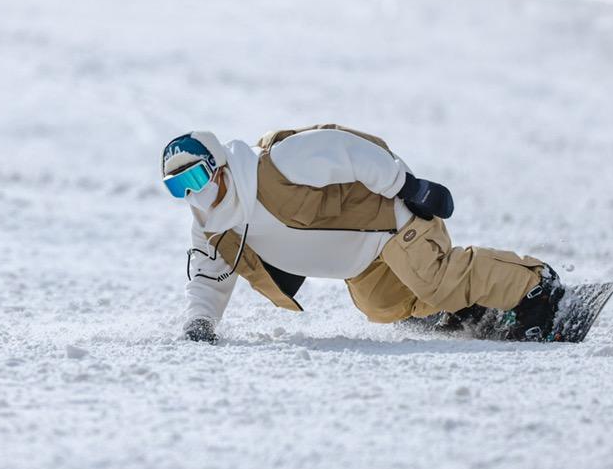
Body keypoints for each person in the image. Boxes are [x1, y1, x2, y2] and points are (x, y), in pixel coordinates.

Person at [161, 124, 564, 345]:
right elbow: (207, 279)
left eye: (195, 177)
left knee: (434, 277)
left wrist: (408, 187)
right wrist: (201, 322)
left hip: (393, 223)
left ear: (218, 167)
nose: (193, 194)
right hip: (364, 264)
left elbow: (346, 148)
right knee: (381, 306)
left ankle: (534, 286)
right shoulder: (213, 229)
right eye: (178, 188)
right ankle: (464, 308)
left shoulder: (274, 165)